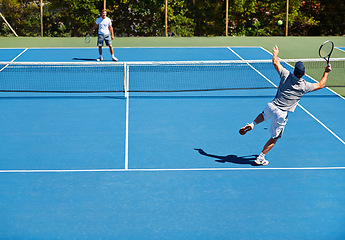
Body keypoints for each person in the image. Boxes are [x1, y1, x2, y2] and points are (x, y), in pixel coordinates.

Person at [239, 45, 332, 166]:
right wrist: (326, 72)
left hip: (272, 105)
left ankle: (252, 124)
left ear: (294, 71)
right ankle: (260, 158)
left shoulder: (285, 74)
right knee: (275, 138)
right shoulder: (304, 86)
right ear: (303, 74)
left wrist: (276, 53)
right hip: (281, 114)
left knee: (263, 115)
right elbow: (321, 85)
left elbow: (275, 62)